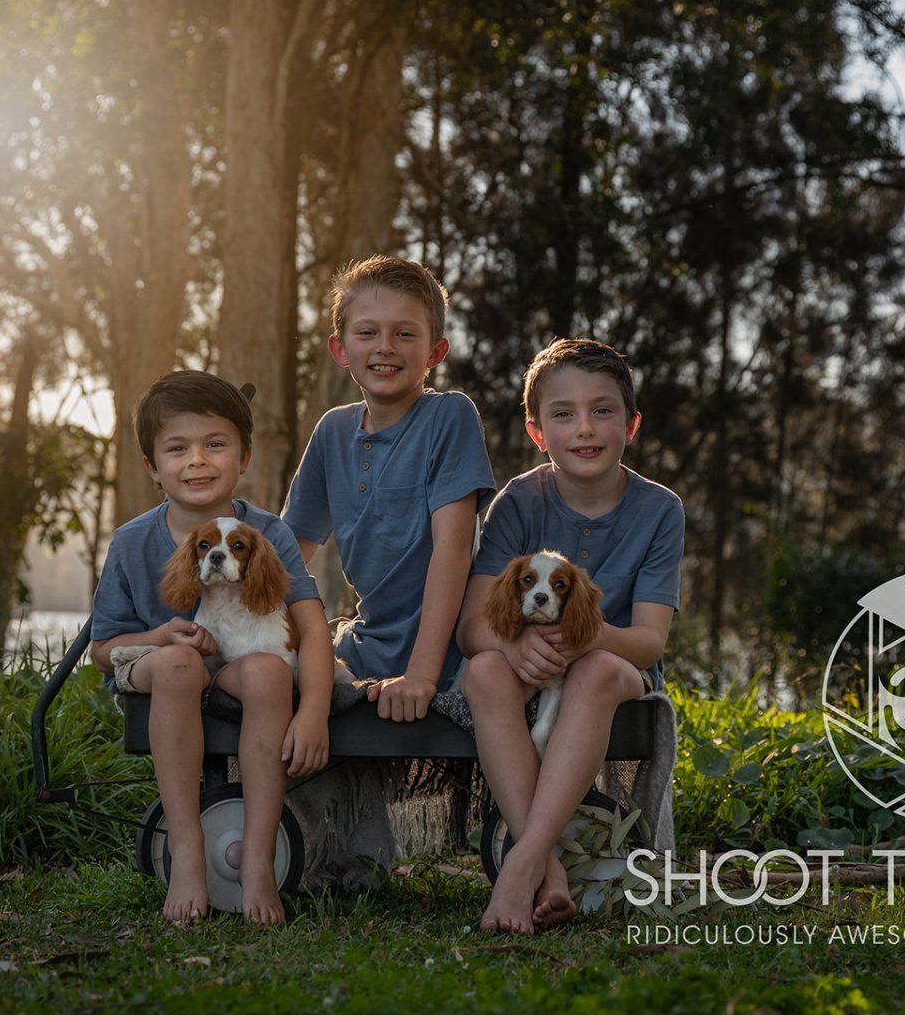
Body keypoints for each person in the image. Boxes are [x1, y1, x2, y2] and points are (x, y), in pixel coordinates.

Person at [456, 338, 684, 933]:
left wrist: (588, 640)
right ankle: (553, 869)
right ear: (537, 431)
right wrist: (510, 646)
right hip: (521, 672)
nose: (584, 428)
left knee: (598, 668)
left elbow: (649, 643)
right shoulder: (517, 502)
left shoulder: (660, 510)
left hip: (615, 673)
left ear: (631, 424)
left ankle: (522, 864)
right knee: (482, 670)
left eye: (602, 410)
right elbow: (472, 628)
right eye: (563, 414)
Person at [88, 371, 333, 925]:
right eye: (177, 448)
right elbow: (103, 649)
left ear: (243, 457)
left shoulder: (269, 531)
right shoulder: (132, 541)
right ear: (153, 467)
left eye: (214, 444)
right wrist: (156, 638)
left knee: (271, 672)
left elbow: (313, 627)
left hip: (235, 666)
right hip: (160, 669)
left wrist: (314, 710)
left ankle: (259, 858)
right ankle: (188, 853)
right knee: (177, 664)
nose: (196, 460)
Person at [285, 254, 495, 720]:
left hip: (446, 650)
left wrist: (422, 673)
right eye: (367, 333)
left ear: (435, 352)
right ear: (341, 350)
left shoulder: (449, 416)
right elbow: (287, 555)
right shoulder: (333, 432)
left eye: (405, 333)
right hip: (368, 642)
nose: (386, 347)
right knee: (260, 672)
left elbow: (452, 550)